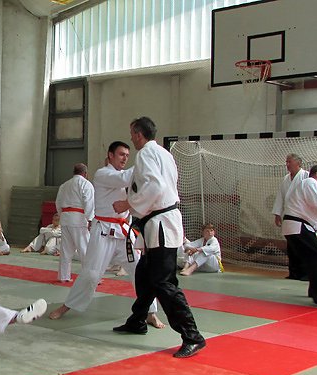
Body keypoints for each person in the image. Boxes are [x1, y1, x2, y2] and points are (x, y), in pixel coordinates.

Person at [111, 117, 206, 358]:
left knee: (164, 282)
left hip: (161, 223)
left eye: (132, 134)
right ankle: (137, 320)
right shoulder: (164, 153)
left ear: (138, 134)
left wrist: (127, 203)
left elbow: (155, 187)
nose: (131, 138)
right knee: (144, 275)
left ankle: (192, 336)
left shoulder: (145, 154)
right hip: (160, 221)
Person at [49, 141, 161, 327]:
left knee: (140, 270)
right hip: (103, 231)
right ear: (110, 155)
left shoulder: (125, 178)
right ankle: (67, 306)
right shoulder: (103, 174)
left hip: (123, 233)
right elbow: (126, 177)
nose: (125, 158)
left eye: (127, 155)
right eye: (121, 154)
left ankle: (150, 312)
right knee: (91, 273)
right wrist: (148, 161)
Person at [282, 165, 317, 306]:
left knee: (312, 260)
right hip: (298, 226)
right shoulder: (310, 182)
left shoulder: (307, 186)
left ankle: (315, 292)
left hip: (296, 227)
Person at [272, 153, 310, 281]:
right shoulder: (286, 179)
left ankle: (305, 273)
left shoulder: (306, 176)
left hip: (303, 216)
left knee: (303, 246)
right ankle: (294, 273)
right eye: (286, 162)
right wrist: (277, 214)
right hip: (289, 217)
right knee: (292, 246)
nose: (287, 164)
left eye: (289, 162)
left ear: (298, 163)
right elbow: (280, 196)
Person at [55, 163, 94, 282]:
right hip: (78, 219)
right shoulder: (86, 184)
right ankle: (90, 277)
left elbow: (58, 203)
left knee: (66, 250)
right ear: (85, 173)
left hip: (65, 218)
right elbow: (89, 202)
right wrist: (90, 219)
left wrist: (62, 215)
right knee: (85, 249)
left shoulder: (64, 185)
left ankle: (63, 276)